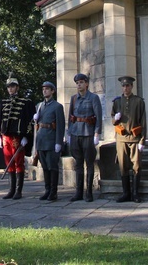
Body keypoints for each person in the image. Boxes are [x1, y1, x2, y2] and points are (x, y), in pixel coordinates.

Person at [0, 75, 35, 200]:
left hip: (18, 137)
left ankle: (18, 190)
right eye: (8, 87)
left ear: (17, 87)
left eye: (12, 86)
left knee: (18, 162)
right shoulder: (3, 102)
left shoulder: (26, 102)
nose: (10, 89)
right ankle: (11, 190)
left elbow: (30, 121)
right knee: (9, 162)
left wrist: (27, 136)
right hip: (5, 136)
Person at [111, 75, 147, 203]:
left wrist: (142, 140)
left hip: (135, 138)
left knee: (136, 166)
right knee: (123, 166)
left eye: (128, 86)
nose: (125, 88)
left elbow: (143, 121)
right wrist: (115, 118)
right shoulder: (117, 102)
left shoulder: (138, 101)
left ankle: (135, 193)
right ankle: (126, 193)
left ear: (132, 87)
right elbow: (112, 121)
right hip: (121, 138)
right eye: (123, 86)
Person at [67, 73, 102, 202]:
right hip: (76, 133)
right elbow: (70, 117)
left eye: (81, 82)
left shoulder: (93, 98)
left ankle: (89, 192)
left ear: (86, 84)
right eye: (77, 83)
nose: (79, 85)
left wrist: (97, 133)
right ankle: (78, 192)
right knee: (78, 164)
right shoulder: (74, 98)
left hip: (88, 133)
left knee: (89, 163)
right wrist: (69, 133)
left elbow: (98, 116)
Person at [33, 81, 65, 201]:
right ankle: (47, 190)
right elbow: (37, 126)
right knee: (45, 167)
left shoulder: (57, 106)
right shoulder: (39, 106)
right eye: (43, 89)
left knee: (53, 167)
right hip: (41, 139)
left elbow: (60, 126)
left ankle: (53, 192)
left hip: (51, 140)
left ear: (52, 91)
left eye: (47, 89)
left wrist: (58, 142)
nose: (45, 91)